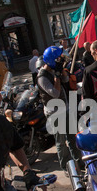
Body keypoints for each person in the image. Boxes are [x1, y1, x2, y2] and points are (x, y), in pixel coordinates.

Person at [36, 46, 81, 176]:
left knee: (72, 137)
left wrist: (62, 72)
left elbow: (66, 81)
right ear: (51, 60)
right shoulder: (42, 77)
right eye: (57, 60)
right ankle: (66, 166)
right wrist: (56, 77)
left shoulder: (55, 70)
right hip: (54, 113)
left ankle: (78, 162)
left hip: (65, 108)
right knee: (61, 142)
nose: (60, 61)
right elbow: (55, 93)